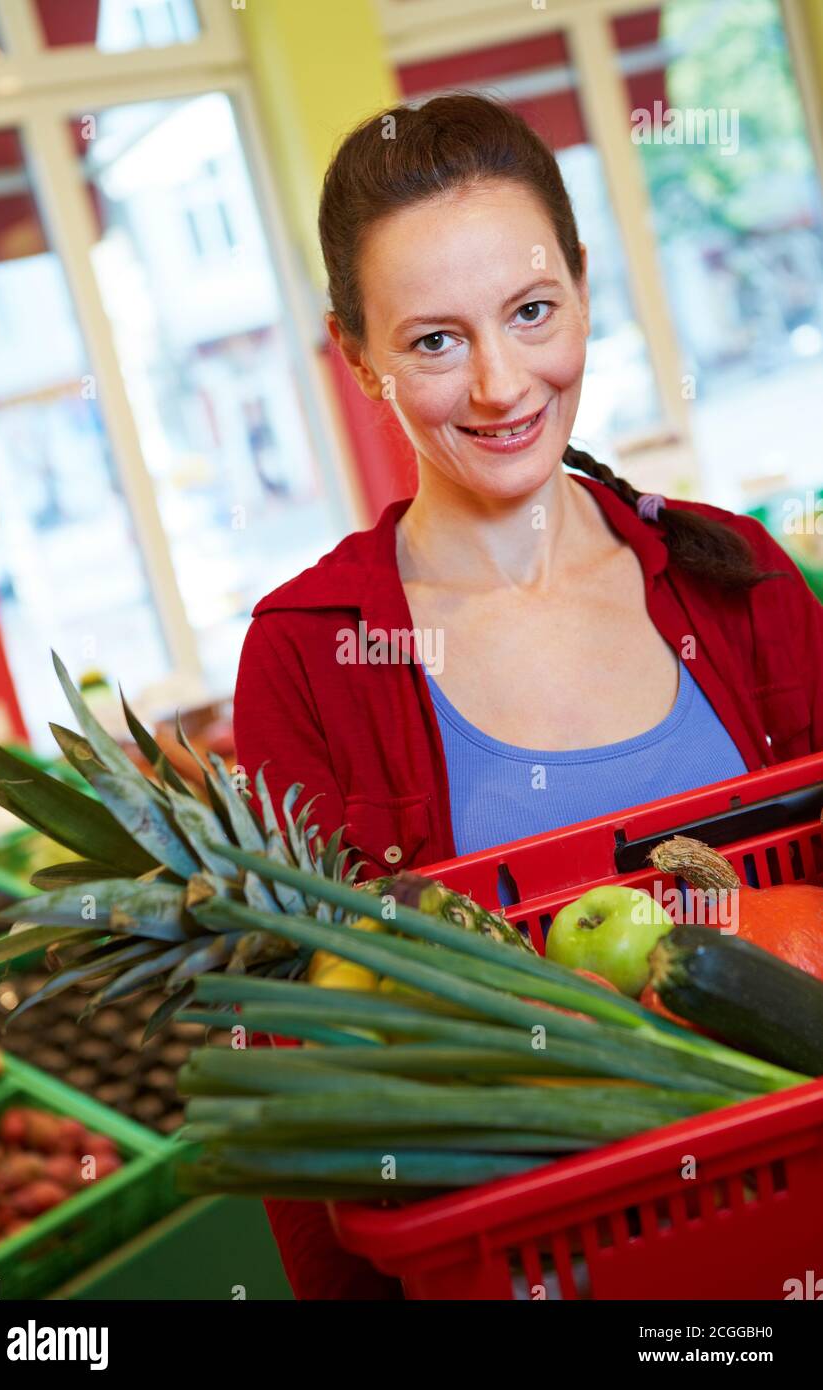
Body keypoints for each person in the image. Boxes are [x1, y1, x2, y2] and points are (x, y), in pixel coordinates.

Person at [233, 93, 823, 1299]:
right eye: (433, 340)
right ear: (355, 353)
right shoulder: (308, 656)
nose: (503, 384)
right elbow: (304, 1065)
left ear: (584, 288)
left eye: (531, 311)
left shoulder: (740, 578)